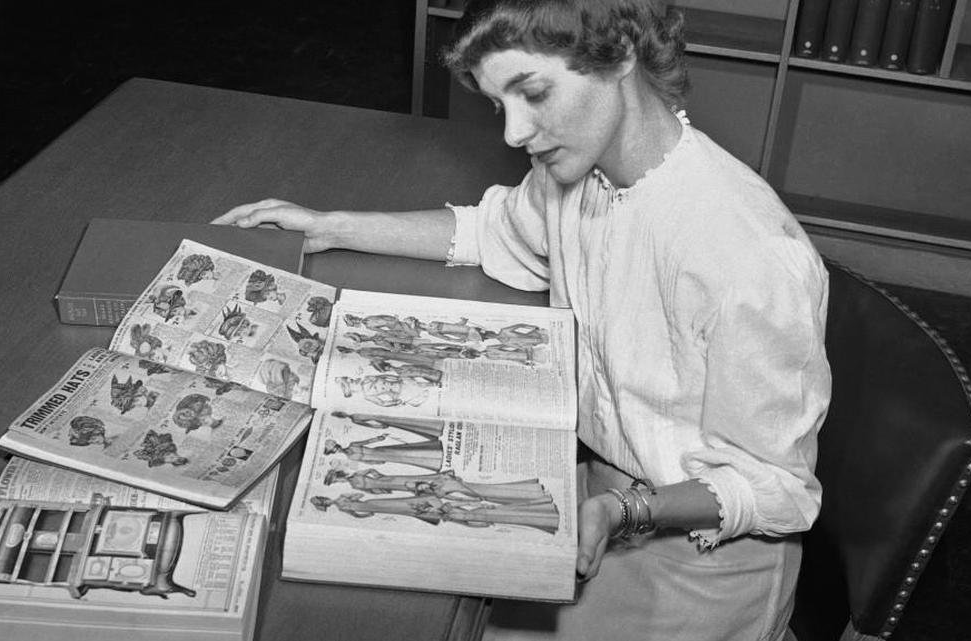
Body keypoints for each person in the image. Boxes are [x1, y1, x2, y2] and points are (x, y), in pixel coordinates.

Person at [213, 1, 830, 639]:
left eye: (533, 93)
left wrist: (627, 510)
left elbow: (778, 487)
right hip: (600, 488)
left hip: (706, 554)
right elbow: (497, 230)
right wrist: (329, 226)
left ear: (620, 57)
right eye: (498, 105)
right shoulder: (582, 171)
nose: (513, 132)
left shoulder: (745, 255)